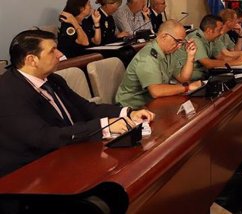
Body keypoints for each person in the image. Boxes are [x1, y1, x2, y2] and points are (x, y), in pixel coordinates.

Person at [0, 30, 154, 177]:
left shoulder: (53, 80)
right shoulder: (8, 92)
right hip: (32, 172)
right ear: (31, 60)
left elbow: (86, 108)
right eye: (52, 50)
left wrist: (127, 113)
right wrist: (103, 126)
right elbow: (43, 137)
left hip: (69, 153)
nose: (60, 54)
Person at [115, 21, 202, 108]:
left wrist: (190, 56)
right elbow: (156, 91)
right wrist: (187, 87)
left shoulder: (170, 52)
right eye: (177, 41)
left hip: (152, 103)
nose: (179, 46)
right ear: (164, 36)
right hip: (131, 107)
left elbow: (183, 78)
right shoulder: (147, 57)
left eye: (182, 43)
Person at [187, 15, 237, 80]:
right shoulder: (195, 39)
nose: (221, 32)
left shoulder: (211, 39)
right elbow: (207, 63)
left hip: (205, 77)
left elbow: (221, 57)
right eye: (219, 30)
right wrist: (235, 62)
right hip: (191, 81)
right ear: (209, 30)